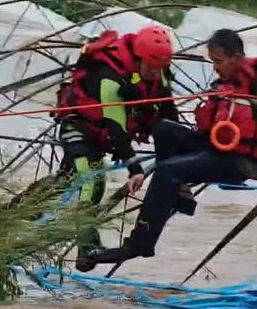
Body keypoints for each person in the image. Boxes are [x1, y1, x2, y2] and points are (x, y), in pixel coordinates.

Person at [80, 28, 257, 269]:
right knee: (164, 129)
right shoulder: (227, 80)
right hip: (217, 145)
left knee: (166, 171)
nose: (215, 69)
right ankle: (180, 194)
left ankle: (140, 243)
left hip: (241, 160)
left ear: (237, 57)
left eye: (218, 62)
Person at [53, 25, 179, 272]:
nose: (155, 74)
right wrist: (135, 168)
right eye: (151, 68)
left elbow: (168, 113)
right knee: (93, 181)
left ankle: (24, 216)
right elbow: (116, 127)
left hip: (103, 141)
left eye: (159, 69)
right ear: (139, 59)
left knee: (61, 186)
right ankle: (86, 247)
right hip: (79, 131)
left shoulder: (160, 71)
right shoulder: (109, 75)